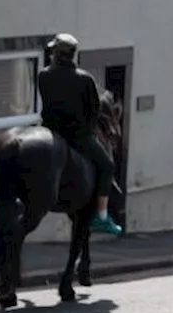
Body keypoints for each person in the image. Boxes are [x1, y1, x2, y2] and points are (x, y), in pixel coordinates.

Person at [37, 33, 123, 236]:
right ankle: (101, 216)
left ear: (56, 54)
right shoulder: (85, 79)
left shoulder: (43, 75)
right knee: (107, 165)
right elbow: (94, 112)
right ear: (72, 55)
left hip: (50, 132)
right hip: (77, 136)